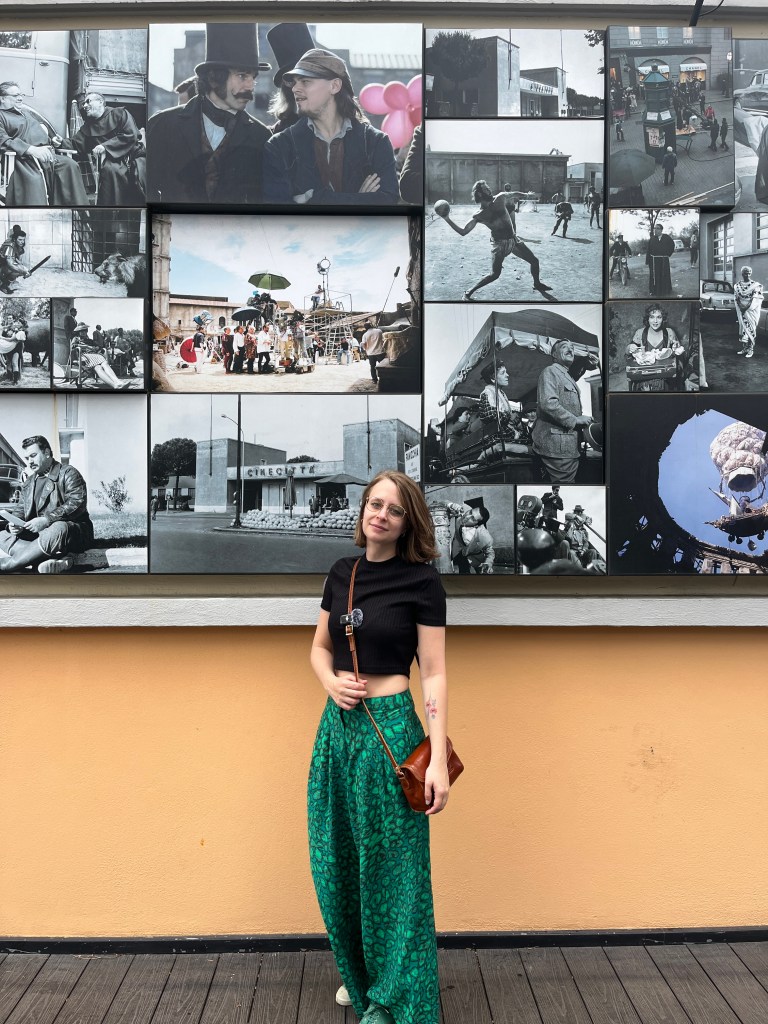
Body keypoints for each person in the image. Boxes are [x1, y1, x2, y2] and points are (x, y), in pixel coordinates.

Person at [309, 469, 448, 1024]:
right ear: (362, 510)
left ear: (407, 521)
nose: (380, 514)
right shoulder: (342, 573)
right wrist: (330, 681)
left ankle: (394, 998)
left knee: (394, 869)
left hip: (390, 730)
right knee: (337, 858)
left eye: (393, 508)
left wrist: (437, 757)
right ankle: (361, 975)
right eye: (374, 504)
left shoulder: (422, 582)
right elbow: (320, 648)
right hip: (338, 731)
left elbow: (433, 673)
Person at [146, 24, 271, 204]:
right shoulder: (163, 125)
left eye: (254, 77)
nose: (251, 86)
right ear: (214, 78)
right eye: (242, 76)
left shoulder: (261, 136)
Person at [263, 48, 399, 205]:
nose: (294, 88)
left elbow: (388, 201)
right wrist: (360, 201)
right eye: (294, 82)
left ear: (334, 86)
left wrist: (314, 199)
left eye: (305, 81)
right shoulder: (279, 146)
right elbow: (277, 210)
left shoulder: (376, 142)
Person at [437, 180, 552, 299]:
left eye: (488, 187)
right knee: (495, 274)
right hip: (499, 245)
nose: (489, 190)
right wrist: (447, 219)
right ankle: (468, 293)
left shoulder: (500, 198)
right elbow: (463, 231)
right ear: (480, 194)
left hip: (513, 239)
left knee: (534, 261)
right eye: (486, 189)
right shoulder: (479, 214)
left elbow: (513, 194)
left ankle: (537, 284)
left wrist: (527, 195)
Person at [0, 434, 93, 574]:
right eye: (27, 458)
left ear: (47, 453)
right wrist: (14, 525)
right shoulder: (29, 482)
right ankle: (51, 559)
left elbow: (77, 503)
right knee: (2, 535)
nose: (30, 461)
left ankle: (9, 564)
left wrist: (46, 520)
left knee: (58, 527)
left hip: (73, 533)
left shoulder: (68, 473)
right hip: (39, 537)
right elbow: (20, 510)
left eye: (33, 456)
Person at [0, 81, 88, 207]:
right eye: (15, 96)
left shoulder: (26, 113)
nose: (20, 98)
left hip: (48, 156)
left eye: (21, 95)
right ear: (2, 98)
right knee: (33, 180)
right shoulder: (1, 116)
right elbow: (3, 140)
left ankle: (74, 212)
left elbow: (37, 132)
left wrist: (53, 141)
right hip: (23, 160)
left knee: (70, 165)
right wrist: (31, 149)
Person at [532, 339, 595, 484]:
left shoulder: (566, 375)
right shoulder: (550, 371)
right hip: (557, 446)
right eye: (564, 347)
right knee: (566, 485)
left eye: (572, 347)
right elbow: (548, 403)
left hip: (567, 445)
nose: (570, 349)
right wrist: (575, 420)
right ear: (554, 354)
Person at [71, 92, 145, 205]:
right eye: (83, 103)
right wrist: (58, 142)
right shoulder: (88, 126)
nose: (84, 106)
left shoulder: (120, 113)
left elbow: (131, 135)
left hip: (133, 155)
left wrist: (105, 146)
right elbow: (75, 143)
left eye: (88, 101)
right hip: (111, 160)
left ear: (101, 102)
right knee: (110, 170)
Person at [626, 304, 686, 392]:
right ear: (647, 319)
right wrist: (630, 348)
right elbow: (627, 353)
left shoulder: (669, 332)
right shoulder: (640, 333)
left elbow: (679, 356)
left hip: (664, 377)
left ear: (663, 319)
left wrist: (676, 349)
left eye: (659, 317)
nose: (655, 321)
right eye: (652, 317)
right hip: (644, 377)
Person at [446, 497, 495, 574]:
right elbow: (444, 502)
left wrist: (488, 563)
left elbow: (490, 552)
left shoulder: (485, 537)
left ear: (476, 525)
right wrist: (451, 505)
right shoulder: (463, 510)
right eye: (470, 512)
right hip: (460, 552)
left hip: (476, 558)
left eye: (473, 519)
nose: (466, 517)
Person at [733, 265, 763, 359]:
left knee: (751, 328)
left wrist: (746, 307)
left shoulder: (755, 285)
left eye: (749, 273)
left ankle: (751, 349)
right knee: (743, 328)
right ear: (742, 273)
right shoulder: (737, 285)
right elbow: (736, 297)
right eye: (746, 273)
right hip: (741, 310)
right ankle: (745, 348)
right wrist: (741, 307)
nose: (747, 275)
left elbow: (756, 298)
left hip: (751, 311)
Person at [646, 222, 675, 296]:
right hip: (654, 261)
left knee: (664, 275)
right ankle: (654, 290)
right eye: (654, 228)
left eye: (657, 228)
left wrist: (668, 254)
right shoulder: (652, 239)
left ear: (661, 230)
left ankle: (665, 290)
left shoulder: (667, 237)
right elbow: (648, 250)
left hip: (664, 260)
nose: (655, 230)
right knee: (654, 276)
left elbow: (672, 246)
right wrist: (648, 261)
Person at [0, 224, 29, 294]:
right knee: (17, 270)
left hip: (4, 264)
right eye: (20, 240)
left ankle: (9, 280)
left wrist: (21, 266)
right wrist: (23, 270)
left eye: (23, 240)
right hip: (1, 266)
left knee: (20, 267)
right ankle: (3, 286)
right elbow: (10, 264)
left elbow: (15, 257)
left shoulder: (15, 243)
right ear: (14, 238)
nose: (22, 242)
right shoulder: (9, 246)